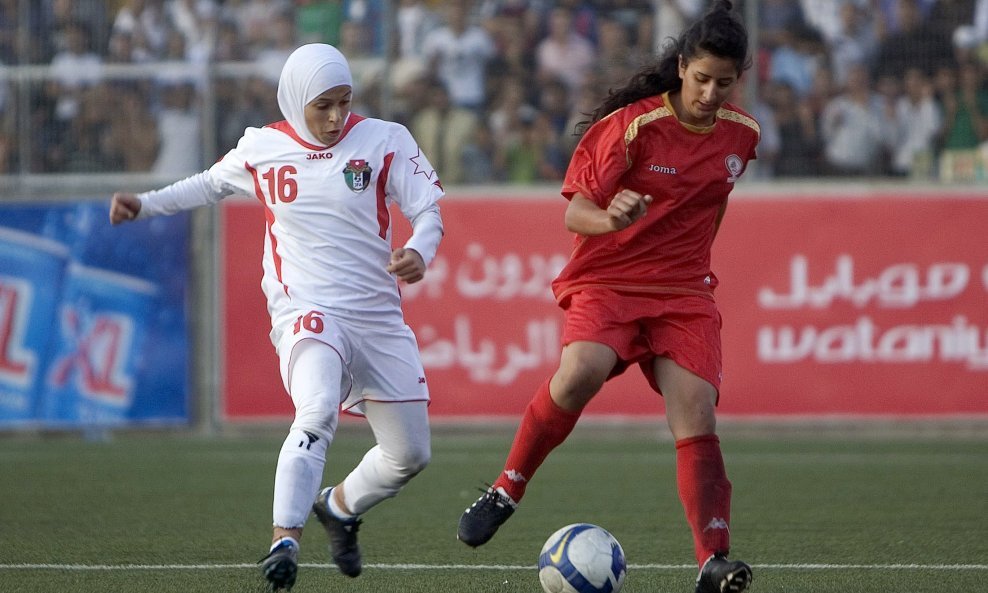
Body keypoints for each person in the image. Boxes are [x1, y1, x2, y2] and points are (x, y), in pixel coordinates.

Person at [109, 43, 444, 592]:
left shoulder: (385, 140)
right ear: (294, 101)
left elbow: (428, 211)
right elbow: (207, 184)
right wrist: (145, 203)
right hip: (306, 311)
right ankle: (283, 542)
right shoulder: (262, 148)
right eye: (322, 106)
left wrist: (420, 251)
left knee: (409, 455)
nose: (335, 117)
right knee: (315, 411)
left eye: (343, 102)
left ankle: (338, 508)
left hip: (378, 318)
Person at [456, 3, 757, 593]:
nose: (710, 93)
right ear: (680, 68)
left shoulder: (742, 137)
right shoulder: (631, 126)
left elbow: (713, 201)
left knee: (696, 412)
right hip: (609, 279)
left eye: (724, 82)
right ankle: (506, 488)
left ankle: (712, 561)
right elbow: (575, 210)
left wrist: (691, 263)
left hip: (682, 292)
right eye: (701, 79)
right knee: (579, 373)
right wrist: (613, 216)